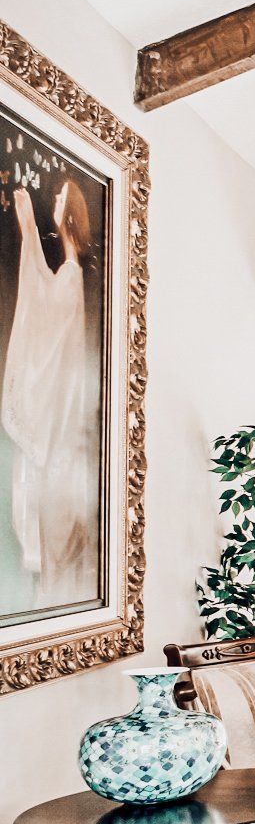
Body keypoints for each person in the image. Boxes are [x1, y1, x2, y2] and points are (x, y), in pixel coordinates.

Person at [2, 174, 99, 607]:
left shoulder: (71, 275)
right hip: (64, 422)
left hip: (62, 420)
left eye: (61, 198)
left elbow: (42, 313)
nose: (56, 203)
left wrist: (27, 229)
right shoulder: (70, 273)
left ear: (71, 212)